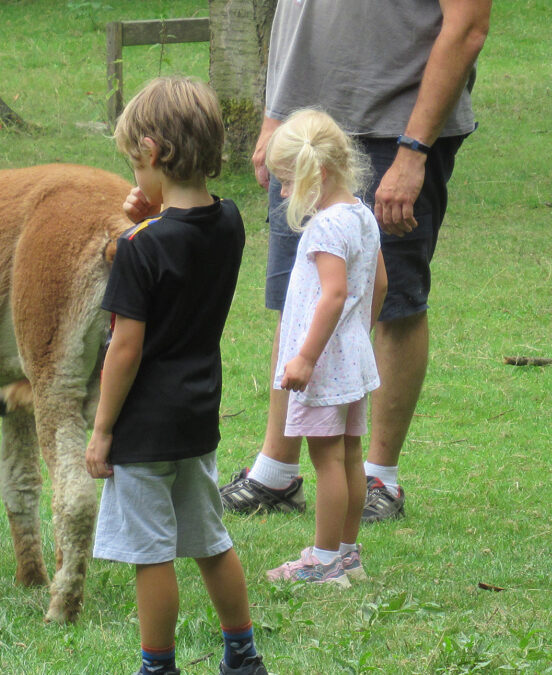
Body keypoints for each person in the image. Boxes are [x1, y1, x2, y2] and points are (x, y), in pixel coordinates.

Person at [221, 0, 491, 521]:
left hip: (396, 125)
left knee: (396, 301)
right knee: (294, 293)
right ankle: (276, 473)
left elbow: (468, 26)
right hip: (303, 132)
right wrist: (274, 118)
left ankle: (378, 480)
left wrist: (414, 150)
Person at [86, 77, 267, 675]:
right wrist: (154, 215)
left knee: (151, 555)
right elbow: (182, 239)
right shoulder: (232, 221)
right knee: (211, 540)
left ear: (154, 151)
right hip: (197, 418)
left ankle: (157, 666)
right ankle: (242, 655)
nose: (134, 178)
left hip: (142, 426)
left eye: (135, 164)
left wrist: (103, 429)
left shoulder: (139, 246)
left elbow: (126, 348)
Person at [258, 109, 387, 585]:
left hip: (324, 366)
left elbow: (333, 294)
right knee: (352, 456)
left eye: (290, 182)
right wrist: (357, 336)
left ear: (321, 174)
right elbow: (379, 285)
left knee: (327, 460)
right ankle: (348, 552)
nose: (286, 193)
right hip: (349, 359)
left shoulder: (327, 227)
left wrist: (307, 357)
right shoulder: (362, 215)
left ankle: (325, 560)